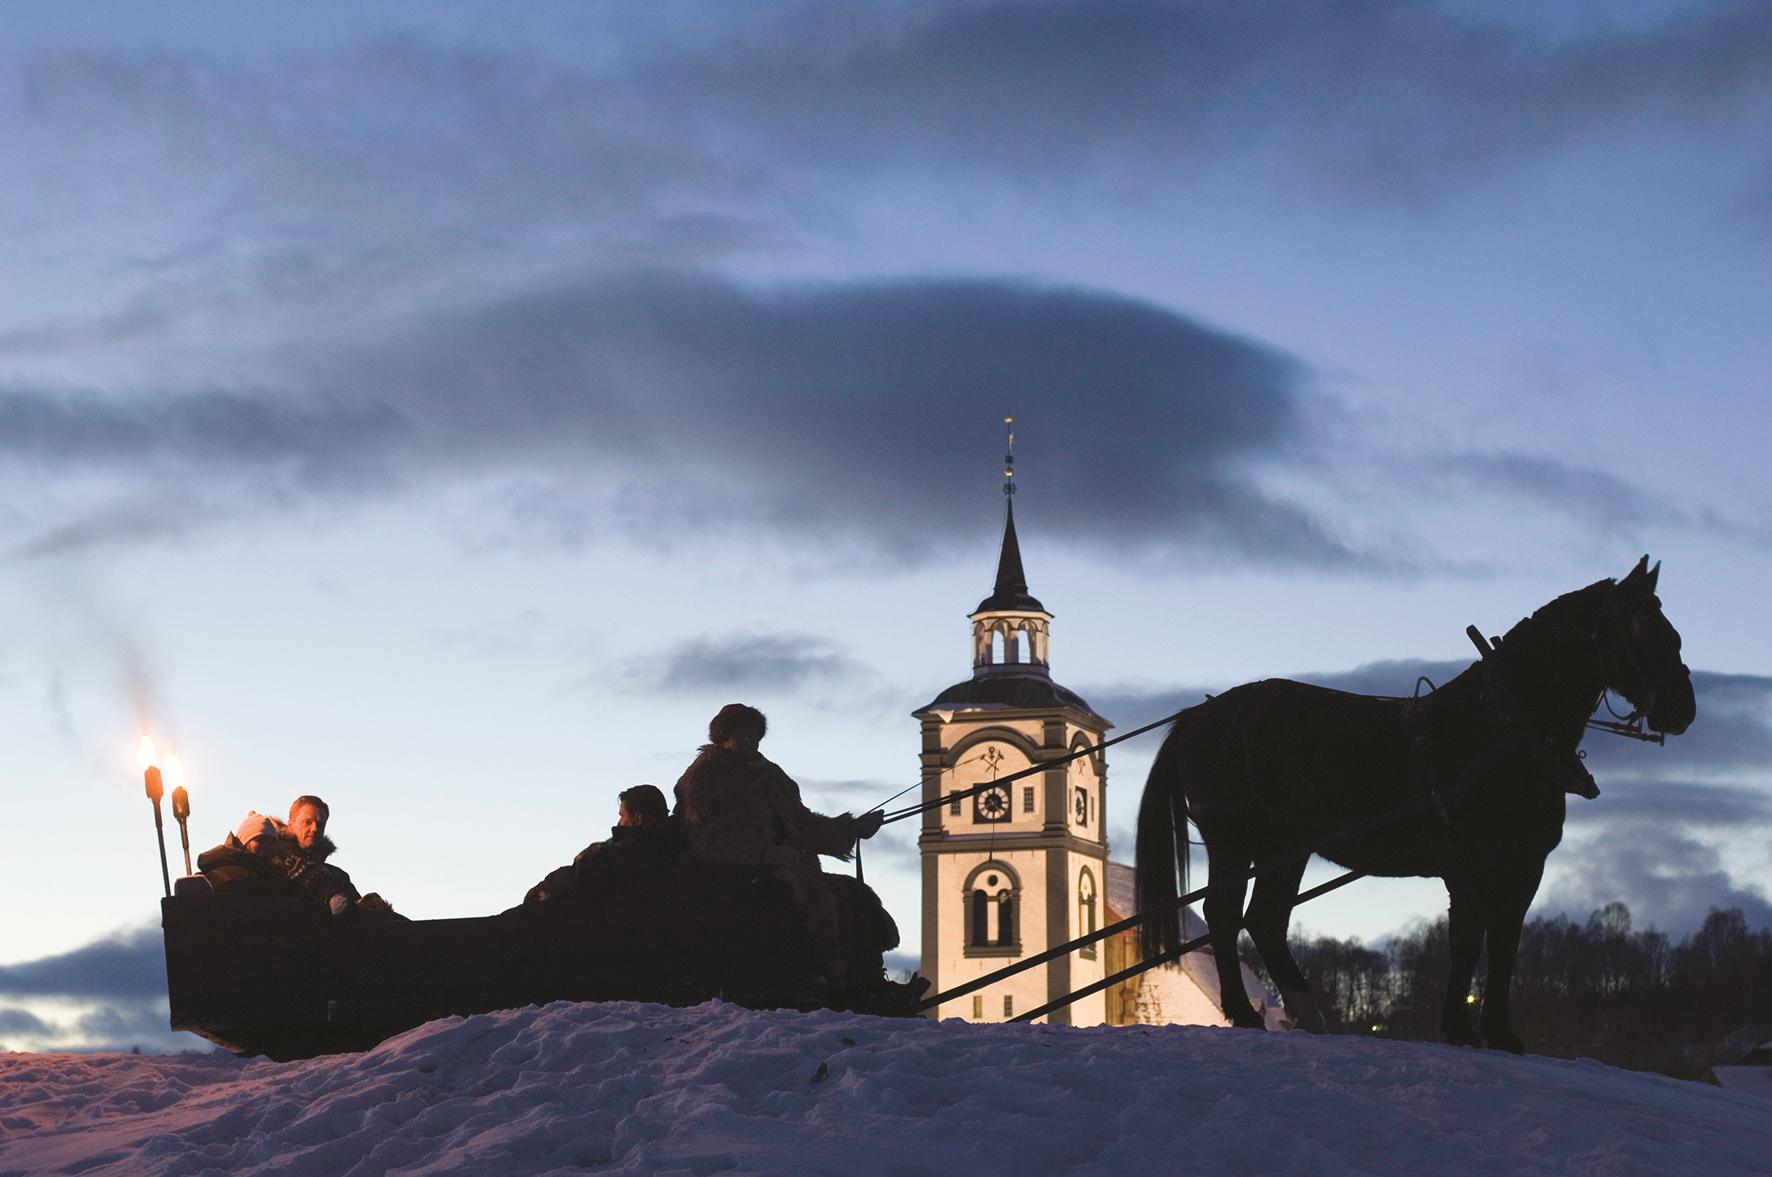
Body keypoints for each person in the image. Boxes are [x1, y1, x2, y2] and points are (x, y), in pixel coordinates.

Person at [673, 704, 884, 991]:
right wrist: (763, 853)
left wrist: (851, 828)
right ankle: (823, 981)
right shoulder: (705, 778)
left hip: (790, 867)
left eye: (754, 733)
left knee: (853, 894)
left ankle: (866, 981)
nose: (749, 739)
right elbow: (707, 840)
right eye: (741, 733)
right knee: (812, 897)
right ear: (723, 737)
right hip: (737, 876)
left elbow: (804, 824)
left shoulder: (772, 775)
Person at [525, 784, 682, 904]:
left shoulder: (632, 851)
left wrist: (538, 891)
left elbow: (579, 874)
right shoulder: (674, 846)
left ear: (638, 819)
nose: (619, 823)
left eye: (622, 816)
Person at [279, 795, 396, 916]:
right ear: (290, 826)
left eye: (320, 824)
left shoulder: (337, 875)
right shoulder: (274, 866)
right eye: (307, 822)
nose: (314, 829)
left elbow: (356, 913)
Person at [196, 813, 295, 897]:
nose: (269, 847)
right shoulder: (224, 876)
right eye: (261, 840)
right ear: (243, 843)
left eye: (273, 842)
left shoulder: (273, 876)